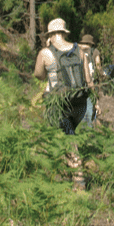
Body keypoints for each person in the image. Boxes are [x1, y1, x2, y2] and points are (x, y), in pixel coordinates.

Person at [32, 19, 92, 190]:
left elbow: (39, 75)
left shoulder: (45, 53)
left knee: (68, 139)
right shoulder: (80, 51)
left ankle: (79, 182)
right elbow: (88, 80)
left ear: (50, 36)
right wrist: (95, 104)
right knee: (71, 135)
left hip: (60, 104)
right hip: (80, 102)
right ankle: (68, 170)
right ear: (65, 33)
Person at [77, 33, 103, 127]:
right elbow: (98, 64)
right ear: (91, 43)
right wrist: (101, 74)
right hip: (90, 81)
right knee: (90, 104)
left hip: (78, 82)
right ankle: (88, 128)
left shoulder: (77, 50)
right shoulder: (95, 51)